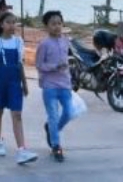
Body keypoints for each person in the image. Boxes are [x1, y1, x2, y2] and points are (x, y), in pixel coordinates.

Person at [0, 12, 37, 165]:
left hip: (14, 84)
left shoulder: (18, 42)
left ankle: (22, 150)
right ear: (1, 24)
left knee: (17, 114)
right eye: (9, 22)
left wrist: (24, 84)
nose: (12, 26)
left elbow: (20, 64)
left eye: (14, 22)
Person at [35, 10, 73, 162]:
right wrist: (54, 67)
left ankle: (52, 129)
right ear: (46, 26)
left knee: (69, 112)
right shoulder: (44, 44)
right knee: (53, 115)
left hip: (65, 84)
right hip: (49, 86)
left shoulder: (66, 41)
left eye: (59, 23)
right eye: (53, 24)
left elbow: (67, 60)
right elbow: (39, 65)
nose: (57, 26)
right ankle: (56, 146)